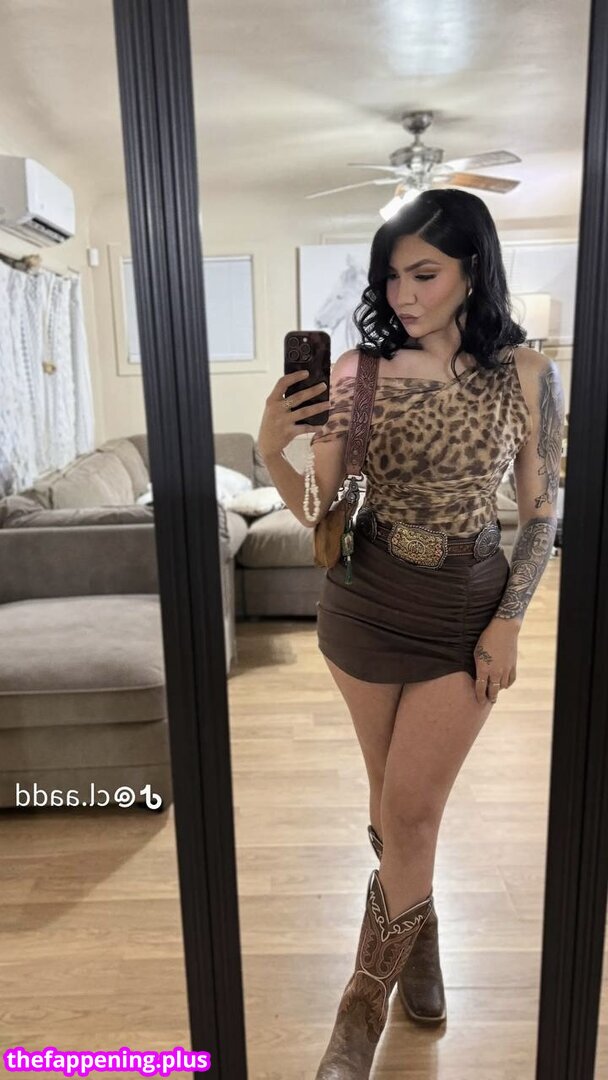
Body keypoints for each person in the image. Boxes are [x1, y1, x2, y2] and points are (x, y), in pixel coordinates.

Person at [257, 188, 565, 1079]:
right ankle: (416, 936)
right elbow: (322, 514)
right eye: (391, 277)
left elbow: (542, 514)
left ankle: (360, 1009)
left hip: (467, 605)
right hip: (365, 596)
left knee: (413, 807)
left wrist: (509, 620)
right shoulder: (358, 372)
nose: (403, 294)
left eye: (424, 273)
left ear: (473, 269)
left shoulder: (530, 374)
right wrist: (274, 447)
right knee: (389, 796)